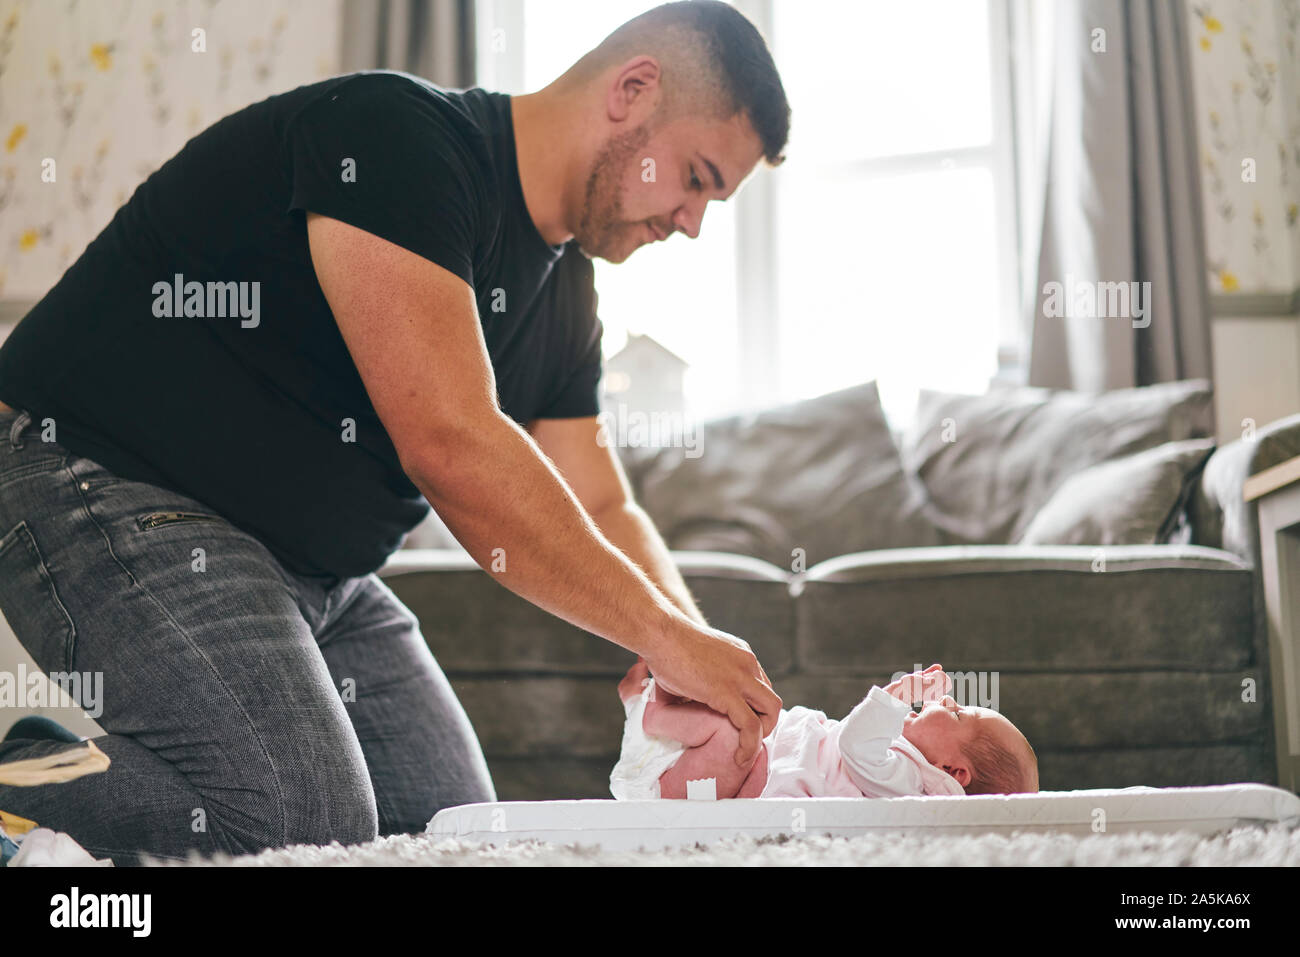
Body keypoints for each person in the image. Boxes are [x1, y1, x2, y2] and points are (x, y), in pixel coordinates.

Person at [0, 0, 790, 864]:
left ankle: (59, 765)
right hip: (95, 484)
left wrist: (691, 652)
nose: (693, 222)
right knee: (295, 826)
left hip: (314, 574)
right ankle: (23, 781)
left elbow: (600, 498)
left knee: (454, 839)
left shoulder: (568, 301)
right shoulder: (398, 139)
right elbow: (449, 444)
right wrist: (665, 637)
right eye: (698, 177)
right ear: (632, 91)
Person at [610, 663, 1039, 799]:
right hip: (741, 762)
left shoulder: (910, 785)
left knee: (730, 731)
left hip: (719, 784)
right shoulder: (900, 765)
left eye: (959, 714)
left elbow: (857, 744)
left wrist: (894, 697)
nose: (947, 701)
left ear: (954, 771)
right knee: (736, 708)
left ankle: (645, 711)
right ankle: (656, 704)